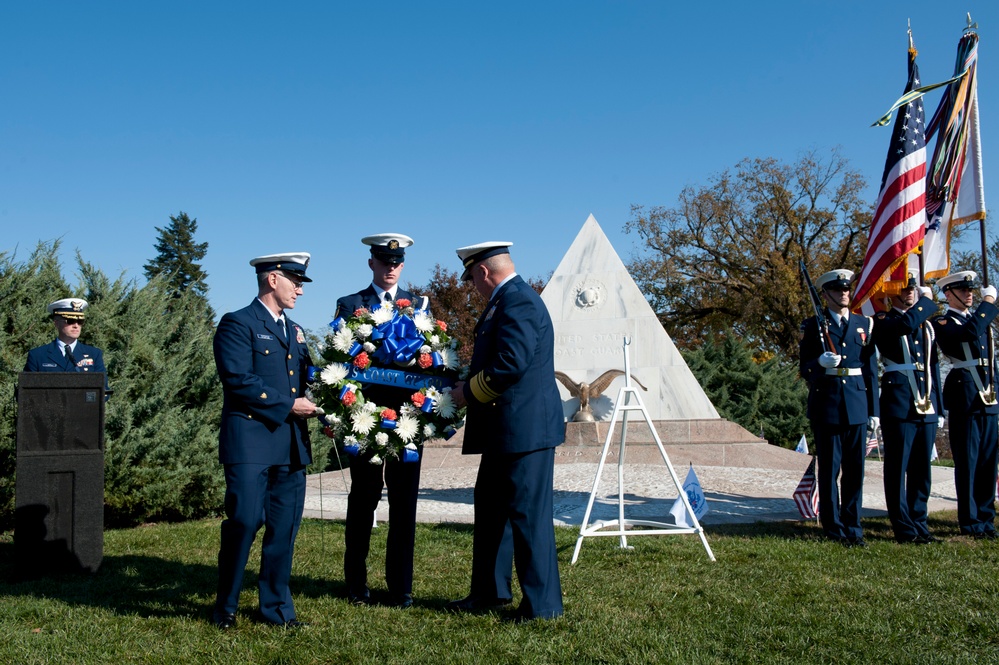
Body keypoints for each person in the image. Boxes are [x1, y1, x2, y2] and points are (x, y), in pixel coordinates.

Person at [447, 241, 564, 621]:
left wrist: (465, 393)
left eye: (471, 279)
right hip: (505, 430)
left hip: (524, 432)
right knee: (492, 511)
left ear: (483, 271)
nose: (472, 287)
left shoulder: (519, 301)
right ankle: (490, 592)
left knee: (528, 517)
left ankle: (542, 607)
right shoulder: (506, 300)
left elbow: (510, 364)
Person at [211, 252, 318, 630]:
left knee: (283, 530)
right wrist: (290, 404)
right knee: (244, 521)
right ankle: (225, 604)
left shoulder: (296, 330)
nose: (300, 291)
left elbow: (310, 378)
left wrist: (333, 405)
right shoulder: (237, 324)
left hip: (290, 445)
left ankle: (276, 609)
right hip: (251, 442)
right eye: (295, 282)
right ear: (273, 279)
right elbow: (238, 380)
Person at [334, 233, 427, 609]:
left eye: (396, 263)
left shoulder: (419, 305)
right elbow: (339, 361)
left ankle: (400, 587)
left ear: (402, 265)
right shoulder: (350, 303)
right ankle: (357, 583)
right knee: (364, 500)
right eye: (384, 262)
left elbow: (430, 357)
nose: (390, 269)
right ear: (371, 263)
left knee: (405, 504)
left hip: (406, 418)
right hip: (366, 419)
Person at [799, 269, 878, 547]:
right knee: (830, 470)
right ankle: (834, 527)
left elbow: (870, 369)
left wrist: (874, 410)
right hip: (828, 404)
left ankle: (853, 527)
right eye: (838, 289)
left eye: (846, 288)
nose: (844, 293)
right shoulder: (812, 326)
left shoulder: (863, 324)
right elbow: (804, 367)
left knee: (855, 470)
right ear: (826, 294)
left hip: (857, 403)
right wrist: (819, 364)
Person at [871, 275, 942, 544]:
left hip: (925, 401)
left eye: (913, 288)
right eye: (904, 289)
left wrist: (940, 407)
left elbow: (932, 365)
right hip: (899, 401)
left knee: (922, 468)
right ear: (891, 294)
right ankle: (903, 526)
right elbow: (905, 324)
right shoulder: (884, 320)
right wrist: (926, 302)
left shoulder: (924, 326)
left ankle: (919, 522)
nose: (910, 292)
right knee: (898, 466)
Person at [931, 270, 999, 540]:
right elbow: (970, 334)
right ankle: (970, 521)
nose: (970, 294)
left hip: (988, 395)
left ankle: (986, 517)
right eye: (963, 289)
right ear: (949, 294)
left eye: (972, 290)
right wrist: (989, 302)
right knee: (968, 461)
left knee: (987, 461)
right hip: (966, 393)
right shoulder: (944, 322)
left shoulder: (979, 320)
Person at [25, 298, 110, 395]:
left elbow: (104, 391)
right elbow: (26, 394)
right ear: (56, 323)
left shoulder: (94, 354)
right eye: (70, 321)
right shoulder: (38, 355)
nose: (76, 325)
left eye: (80, 321)